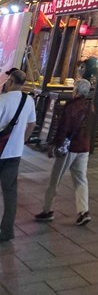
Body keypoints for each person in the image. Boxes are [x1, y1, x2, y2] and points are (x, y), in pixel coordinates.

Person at [35, 79, 95, 226]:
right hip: (84, 147)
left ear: (76, 91)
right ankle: (83, 211)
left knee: (55, 179)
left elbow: (63, 128)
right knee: (81, 180)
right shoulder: (90, 106)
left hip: (69, 147)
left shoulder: (71, 107)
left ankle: (48, 210)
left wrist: (55, 145)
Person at [0, 69, 37, 242]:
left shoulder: (3, 100)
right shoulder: (28, 100)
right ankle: (7, 231)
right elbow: (32, 124)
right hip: (14, 153)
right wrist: (21, 141)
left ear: (11, 81)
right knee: (10, 192)